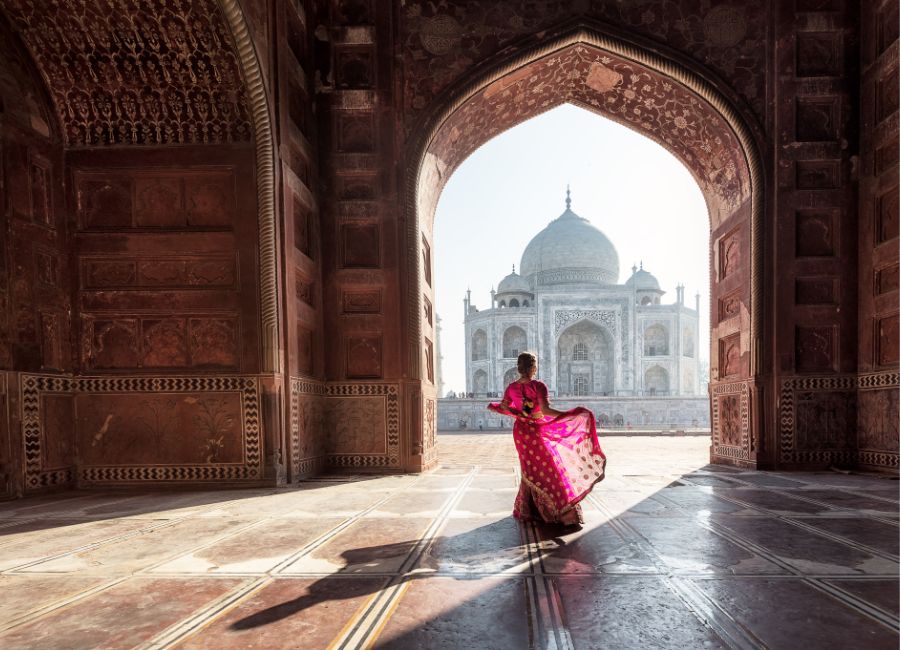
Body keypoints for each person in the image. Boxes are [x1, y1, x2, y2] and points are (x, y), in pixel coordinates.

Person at [488, 352, 606, 526]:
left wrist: (519, 414)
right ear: (534, 368)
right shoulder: (538, 386)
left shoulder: (511, 388)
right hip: (535, 429)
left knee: (530, 469)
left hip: (521, 431)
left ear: (519, 368)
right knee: (549, 466)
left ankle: (529, 509)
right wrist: (567, 415)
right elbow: (545, 410)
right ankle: (557, 509)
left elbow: (505, 406)